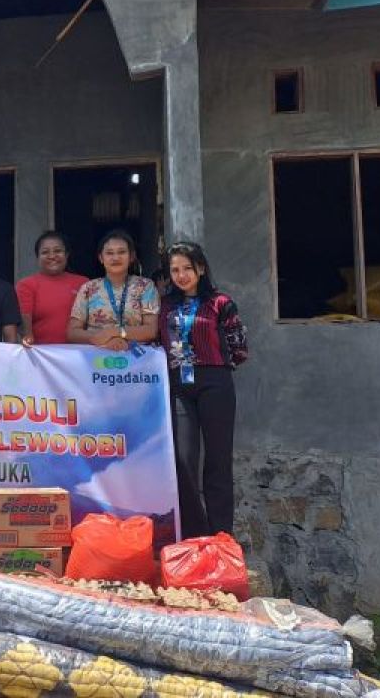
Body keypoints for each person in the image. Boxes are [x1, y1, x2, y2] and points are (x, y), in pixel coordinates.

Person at [158, 241, 248, 538]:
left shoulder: (220, 302)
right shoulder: (165, 304)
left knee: (218, 461)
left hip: (214, 383)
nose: (181, 275)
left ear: (201, 268)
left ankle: (221, 536)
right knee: (183, 460)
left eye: (187, 268)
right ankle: (197, 536)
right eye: (175, 270)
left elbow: (239, 349)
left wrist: (211, 363)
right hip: (179, 386)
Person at [67, 229, 159, 350]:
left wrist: (116, 332)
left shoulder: (145, 286)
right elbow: (73, 333)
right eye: (109, 253)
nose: (115, 258)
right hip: (95, 359)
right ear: (101, 258)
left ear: (131, 256)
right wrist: (106, 339)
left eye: (121, 252)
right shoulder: (88, 288)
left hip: (137, 359)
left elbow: (151, 330)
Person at [16, 231, 88, 346]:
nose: (52, 256)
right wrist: (27, 339)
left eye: (58, 251)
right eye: (45, 252)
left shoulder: (83, 283)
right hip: (42, 356)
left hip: (78, 355)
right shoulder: (26, 285)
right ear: (37, 257)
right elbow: (24, 320)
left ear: (67, 254)